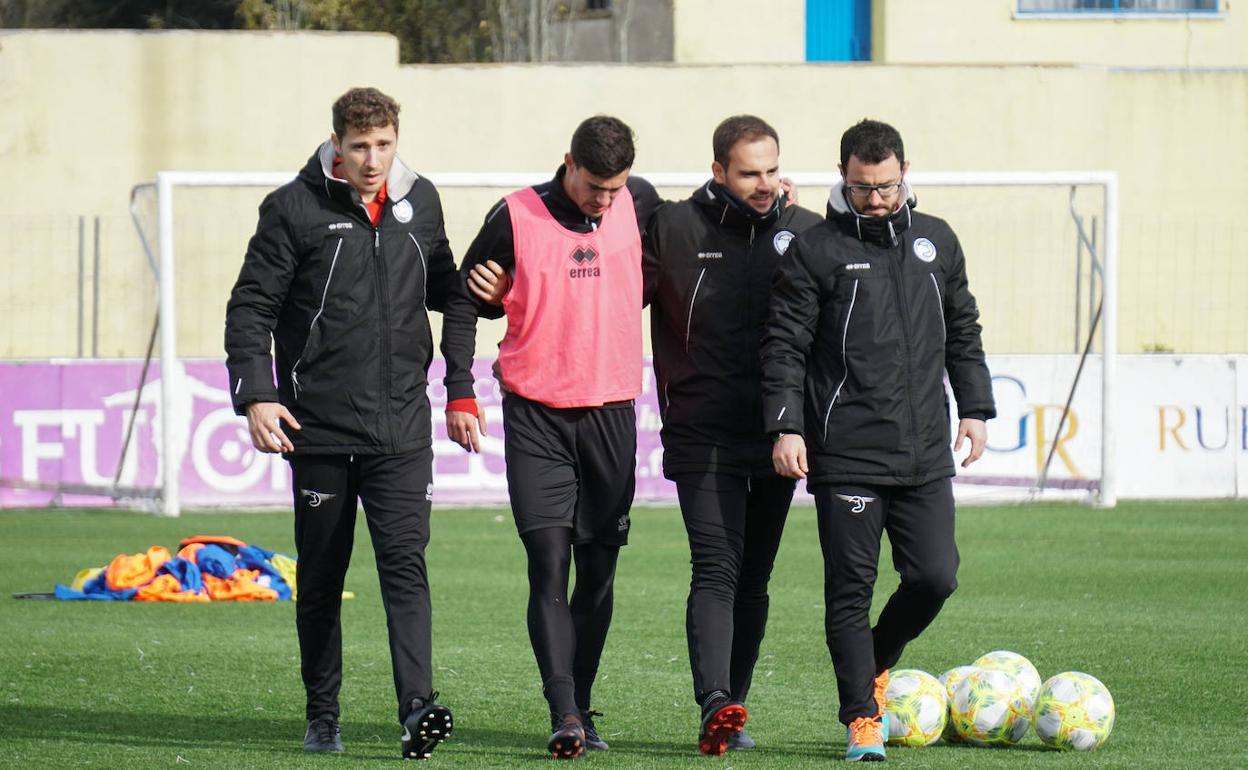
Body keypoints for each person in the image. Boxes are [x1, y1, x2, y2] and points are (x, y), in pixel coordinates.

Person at [225, 87, 458, 759]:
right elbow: (252, 308)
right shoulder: (293, 208)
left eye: (383, 144)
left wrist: (491, 288)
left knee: (405, 568)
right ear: (336, 144)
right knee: (322, 577)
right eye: (359, 147)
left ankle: (418, 708)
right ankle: (322, 715)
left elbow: (441, 283)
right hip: (319, 428)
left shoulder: (424, 201)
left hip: (402, 429)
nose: (372, 159)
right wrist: (256, 394)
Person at [761, 119, 996, 762]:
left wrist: (974, 409)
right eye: (863, 188)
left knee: (936, 577)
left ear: (905, 171)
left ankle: (877, 660)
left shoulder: (937, 241)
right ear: (844, 177)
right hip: (847, 455)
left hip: (924, 454)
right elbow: (784, 344)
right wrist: (786, 424)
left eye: (887, 186)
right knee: (849, 592)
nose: (877, 199)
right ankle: (862, 719)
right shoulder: (817, 249)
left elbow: (963, 331)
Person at [439, 115, 661, 759]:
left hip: (613, 415)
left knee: (598, 575)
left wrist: (770, 198)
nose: (605, 200)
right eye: (595, 186)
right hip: (536, 415)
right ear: (568, 162)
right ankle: (563, 711)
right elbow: (462, 301)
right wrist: (459, 389)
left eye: (615, 188)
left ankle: (583, 705)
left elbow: (693, 241)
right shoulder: (514, 216)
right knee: (549, 566)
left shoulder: (639, 202)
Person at [643, 115, 822, 755]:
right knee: (716, 567)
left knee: (755, 579)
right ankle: (713, 700)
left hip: (780, 435)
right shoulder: (674, 228)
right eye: (750, 173)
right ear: (718, 171)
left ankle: (732, 711)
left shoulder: (803, 232)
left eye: (773, 170)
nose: (765, 184)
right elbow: (605, 290)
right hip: (703, 432)